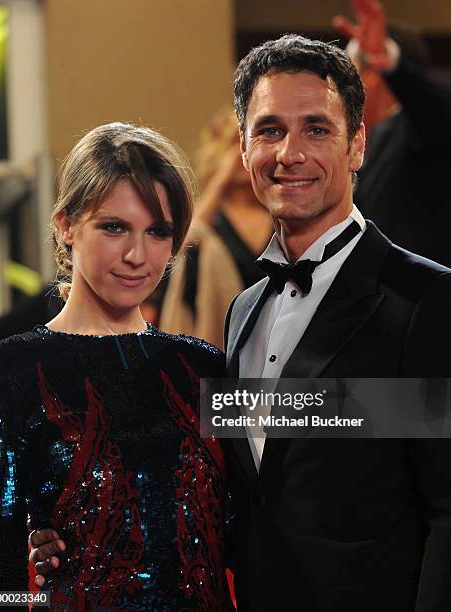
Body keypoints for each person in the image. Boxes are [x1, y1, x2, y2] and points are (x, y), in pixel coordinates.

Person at [222, 34, 451, 611]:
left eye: (316, 130)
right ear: (243, 148)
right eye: (269, 129)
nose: (289, 153)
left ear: (357, 147)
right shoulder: (242, 312)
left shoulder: (426, 299)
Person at [0, 122, 234, 610]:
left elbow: (331, 422)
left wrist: (428, 409)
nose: (137, 255)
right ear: (66, 225)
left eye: (157, 231)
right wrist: (31, 597)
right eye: (114, 226)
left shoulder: (203, 368)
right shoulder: (7, 373)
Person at [333, 0, 451, 267]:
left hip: (426, 299)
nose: (340, 92)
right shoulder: (377, 135)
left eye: (349, 78)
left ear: (373, 76)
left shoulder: (426, 130)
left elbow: (434, 109)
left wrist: (387, 60)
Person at [159, 107, 271, 349]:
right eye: (234, 144)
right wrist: (220, 180)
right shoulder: (212, 220)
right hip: (222, 340)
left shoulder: (279, 215)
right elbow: (183, 238)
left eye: (249, 143)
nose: (242, 154)